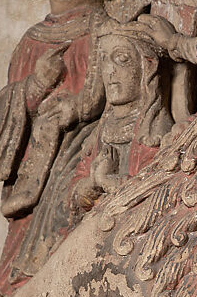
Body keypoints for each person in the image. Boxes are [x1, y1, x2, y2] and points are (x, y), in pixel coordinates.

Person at [0, 0, 122, 297]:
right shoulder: (30, 44)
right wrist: (35, 87)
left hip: (84, 163)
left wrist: (80, 108)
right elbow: (8, 119)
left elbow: (115, 95)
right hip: (37, 181)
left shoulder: (105, 28)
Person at [71, 24, 173, 215]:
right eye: (104, 60)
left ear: (147, 67)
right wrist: (92, 185)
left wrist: (107, 181)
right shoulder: (100, 131)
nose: (109, 70)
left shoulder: (154, 132)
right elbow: (75, 194)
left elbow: (154, 194)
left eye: (122, 59)